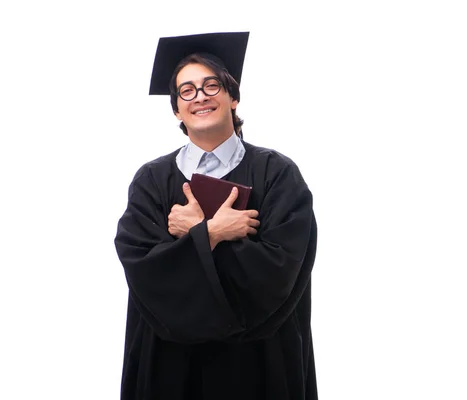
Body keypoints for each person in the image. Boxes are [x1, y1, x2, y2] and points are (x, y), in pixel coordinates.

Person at [114, 32, 318, 400]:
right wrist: (210, 234)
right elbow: (144, 271)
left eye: (212, 85)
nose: (201, 96)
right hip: (170, 365)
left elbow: (282, 271)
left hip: (259, 363)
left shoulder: (278, 174)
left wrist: (193, 234)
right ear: (176, 109)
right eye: (187, 91)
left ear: (233, 97)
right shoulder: (151, 181)